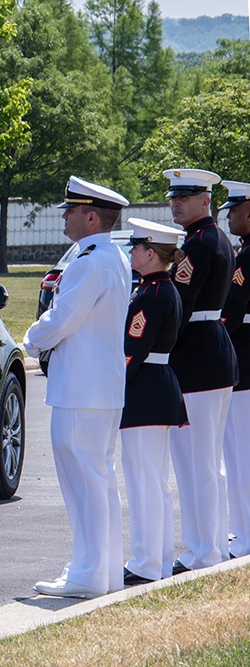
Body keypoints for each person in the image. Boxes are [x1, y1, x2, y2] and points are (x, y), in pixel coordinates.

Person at [24, 176, 132, 599]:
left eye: (70, 209)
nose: (65, 216)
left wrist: (29, 338)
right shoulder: (115, 257)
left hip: (81, 390)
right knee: (99, 479)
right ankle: (102, 571)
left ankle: (87, 573)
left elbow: (60, 319)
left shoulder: (88, 262)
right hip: (102, 388)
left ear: (91, 216)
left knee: (82, 481)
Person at [164, 169, 238, 575]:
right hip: (209, 356)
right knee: (205, 461)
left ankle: (204, 552)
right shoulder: (209, 238)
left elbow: (179, 304)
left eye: (186, 196)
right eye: (174, 196)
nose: (176, 202)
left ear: (205, 199)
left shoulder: (198, 245)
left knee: (198, 463)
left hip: (198, 359)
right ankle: (206, 546)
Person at [119, 218, 188, 586]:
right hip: (158, 389)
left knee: (144, 480)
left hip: (145, 393)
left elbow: (132, 354)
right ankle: (157, 559)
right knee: (155, 481)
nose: (131, 252)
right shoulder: (160, 289)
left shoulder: (151, 295)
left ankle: (146, 563)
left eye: (135, 247)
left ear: (149, 253)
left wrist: (110, 385)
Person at [220, 179, 250, 560]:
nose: (229, 214)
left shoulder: (246, 259)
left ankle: (244, 536)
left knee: (240, 455)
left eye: (235, 209)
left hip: (245, 362)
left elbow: (229, 313)